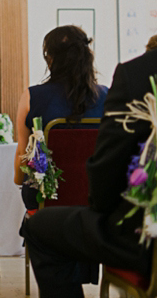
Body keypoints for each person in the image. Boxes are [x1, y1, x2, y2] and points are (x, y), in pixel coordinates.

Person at [21, 0, 157, 298]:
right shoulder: (103, 93)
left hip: (152, 239)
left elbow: (106, 176)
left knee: (41, 227)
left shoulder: (138, 75)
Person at [13, 25, 108, 213]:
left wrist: (18, 179)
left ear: (50, 59)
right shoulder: (107, 96)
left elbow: (22, 160)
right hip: (95, 200)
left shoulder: (31, 97)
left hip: (45, 203)